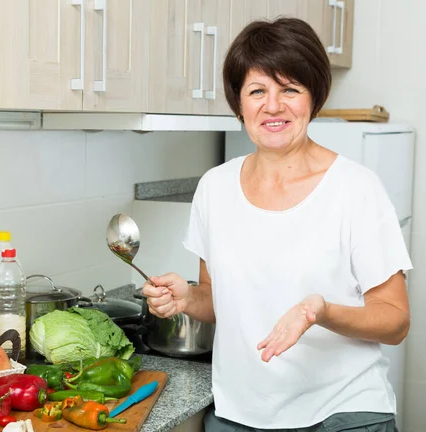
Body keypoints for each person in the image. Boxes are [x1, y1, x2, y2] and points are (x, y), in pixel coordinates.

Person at [142, 17, 412, 432]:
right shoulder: (214, 188)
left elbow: (394, 321)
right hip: (240, 413)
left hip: (344, 412)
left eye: (290, 89)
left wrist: (319, 311)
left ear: (313, 98)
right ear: (240, 103)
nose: (273, 106)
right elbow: (218, 300)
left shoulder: (355, 189)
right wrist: (187, 298)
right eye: (257, 91)